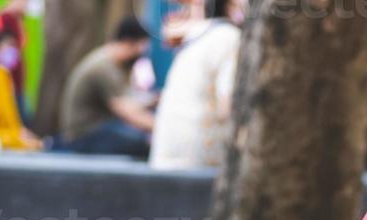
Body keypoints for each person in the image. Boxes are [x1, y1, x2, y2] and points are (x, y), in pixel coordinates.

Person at [149, 0, 241, 170]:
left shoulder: (194, 36)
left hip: (165, 152)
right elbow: (225, 108)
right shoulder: (230, 37)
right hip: (198, 157)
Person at [57, 15, 153, 158]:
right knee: (144, 143)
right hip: (84, 135)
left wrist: (153, 100)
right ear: (128, 43)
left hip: (98, 128)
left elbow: (129, 102)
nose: (139, 55)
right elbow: (127, 111)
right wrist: (161, 127)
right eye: (139, 49)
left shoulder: (112, 63)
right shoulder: (104, 67)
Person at [0, 0, 28, 120]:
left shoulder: (16, 20)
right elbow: (0, 52)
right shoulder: (3, 20)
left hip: (15, 84)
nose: (26, 5)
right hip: (7, 85)